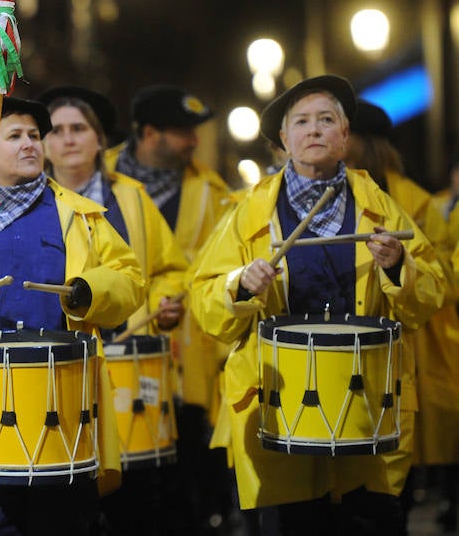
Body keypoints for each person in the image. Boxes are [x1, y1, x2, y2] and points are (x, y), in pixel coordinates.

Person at [190, 75, 449, 536]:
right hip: (277, 414)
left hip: (366, 415)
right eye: (302, 123)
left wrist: (397, 266)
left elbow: (429, 297)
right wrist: (240, 286)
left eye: (326, 121)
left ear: (345, 137)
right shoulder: (248, 212)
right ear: (284, 141)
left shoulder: (382, 208)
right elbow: (206, 303)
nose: (314, 131)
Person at [0, 96, 144, 535]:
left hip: (65, 401)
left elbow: (131, 280)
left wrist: (89, 291)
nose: (30, 145)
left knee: (65, 522)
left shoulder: (80, 215)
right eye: (15, 136)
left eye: (35, 136)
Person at [38, 85, 188, 533]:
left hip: (130, 365)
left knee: (138, 500)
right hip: (60, 372)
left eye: (79, 129)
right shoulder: (29, 202)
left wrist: (166, 300)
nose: (67, 139)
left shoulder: (132, 198)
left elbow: (170, 268)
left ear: (100, 140)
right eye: (56, 130)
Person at [106, 83, 234, 533]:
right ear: (149, 132)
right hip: (111, 351)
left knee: (181, 477)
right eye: (183, 131)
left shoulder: (213, 192)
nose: (193, 141)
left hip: (187, 356)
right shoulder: (96, 177)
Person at [346, 99, 459, 534]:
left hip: (407, 347)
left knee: (396, 475)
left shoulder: (413, 201)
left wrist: (401, 267)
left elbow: (444, 275)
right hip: (352, 357)